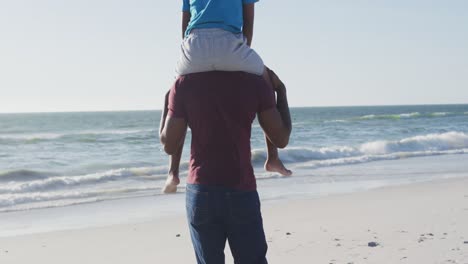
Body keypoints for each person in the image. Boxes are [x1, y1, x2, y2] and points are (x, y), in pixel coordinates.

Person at [159, 68, 291, 263]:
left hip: (201, 190)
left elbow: (169, 144)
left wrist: (168, 98)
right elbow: (281, 137)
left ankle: (172, 173)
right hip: (240, 189)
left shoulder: (185, 82)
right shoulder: (254, 81)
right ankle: (273, 160)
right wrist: (281, 89)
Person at [161, 0, 291, 193]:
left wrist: (193, 59)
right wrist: (240, 56)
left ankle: (173, 172)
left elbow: (185, 26)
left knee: (175, 93)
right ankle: (272, 158)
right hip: (230, 44)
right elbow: (248, 23)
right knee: (267, 80)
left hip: (195, 47)